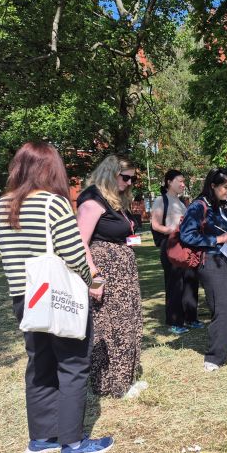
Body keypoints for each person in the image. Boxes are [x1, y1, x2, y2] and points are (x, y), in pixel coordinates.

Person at [0, 142, 114, 453]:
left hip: (25, 297)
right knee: (73, 365)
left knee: (39, 364)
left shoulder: (1, 206)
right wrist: (96, 283)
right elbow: (74, 253)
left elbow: (8, 256)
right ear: (51, 169)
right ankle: (72, 444)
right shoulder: (53, 204)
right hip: (58, 296)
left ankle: (41, 438)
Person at [77, 155, 145, 399]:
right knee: (111, 327)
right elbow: (81, 243)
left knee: (128, 323)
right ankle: (110, 384)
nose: (129, 183)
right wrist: (94, 279)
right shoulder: (92, 200)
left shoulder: (115, 201)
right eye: (125, 177)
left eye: (132, 179)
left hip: (123, 274)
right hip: (105, 274)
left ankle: (125, 378)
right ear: (110, 173)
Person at [180, 168, 227, 372]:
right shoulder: (199, 206)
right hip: (212, 262)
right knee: (223, 308)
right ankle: (214, 357)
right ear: (213, 186)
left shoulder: (222, 206)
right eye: (225, 187)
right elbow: (187, 235)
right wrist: (217, 239)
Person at [150, 170, 203, 335]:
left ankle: (191, 318)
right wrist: (172, 230)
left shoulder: (181, 202)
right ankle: (175, 321)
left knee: (190, 280)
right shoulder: (161, 200)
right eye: (179, 181)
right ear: (168, 182)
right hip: (170, 245)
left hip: (185, 245)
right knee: (175, 284)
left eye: (183, 181)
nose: (182, 184)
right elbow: (155, 225)